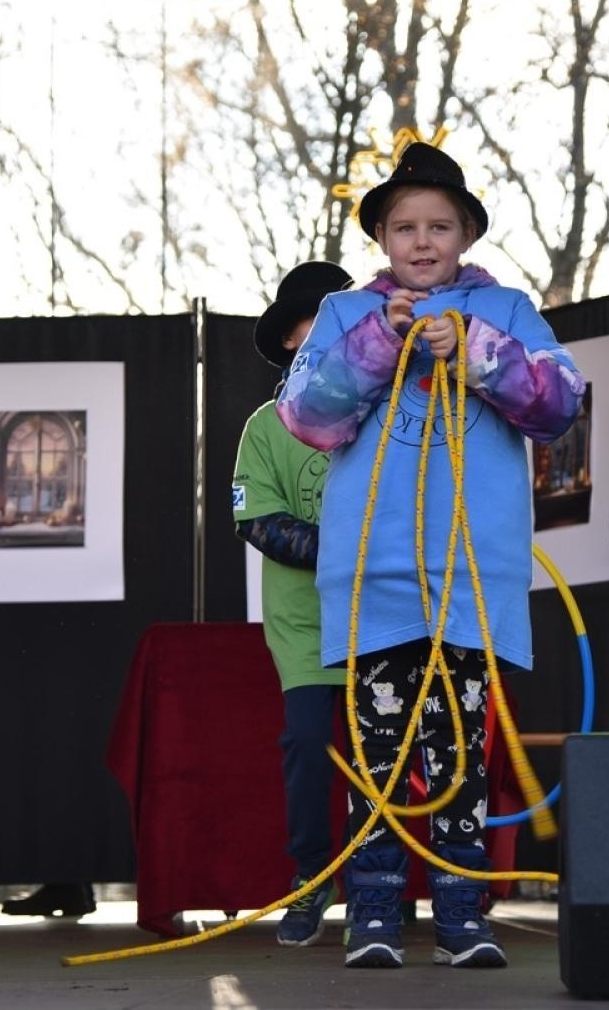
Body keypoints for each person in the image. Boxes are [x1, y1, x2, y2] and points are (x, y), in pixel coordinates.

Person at [277, 143, 585, 969]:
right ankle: (372, 911)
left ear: (466, 234)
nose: (422, 240)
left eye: (439, 225)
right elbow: (306, 415)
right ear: (380, 234)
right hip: (375, 579)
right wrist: (381, 339)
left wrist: (478, 350)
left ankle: (461, 911)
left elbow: (561, 403)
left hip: (470, 579)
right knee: (377, 754)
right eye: (405, 225)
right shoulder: (346, 314)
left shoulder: (509, 308)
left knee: (460, 753)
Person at [232, 260, 354, 948]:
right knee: (309, 747)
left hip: (383, 623)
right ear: (289, 339)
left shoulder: (385, 415)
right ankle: (312, 883)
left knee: (382, 758)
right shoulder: (263, 427)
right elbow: (259, 522)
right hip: (305, 628)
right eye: (318, 325)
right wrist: (349, 547)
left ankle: (379, 885)